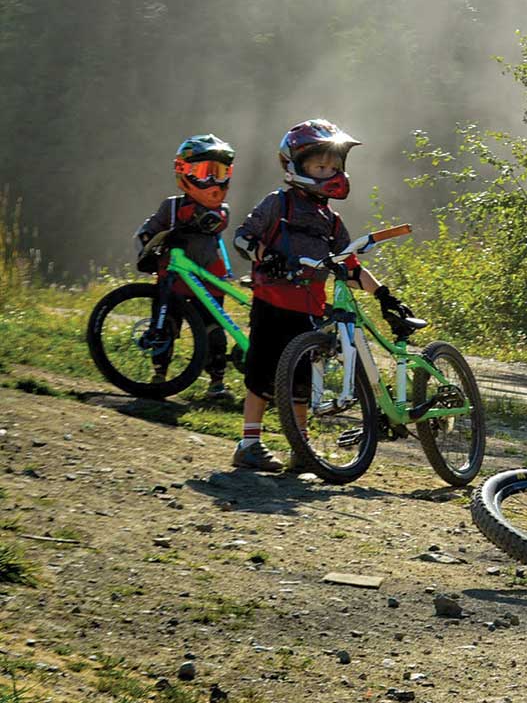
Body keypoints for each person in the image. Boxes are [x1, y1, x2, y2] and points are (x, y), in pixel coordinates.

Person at [229, 119, 415, 471]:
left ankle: (301, 448)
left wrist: (384, 295)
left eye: (334, 166)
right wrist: (264, 256)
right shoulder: (277, 204)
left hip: (309, 311)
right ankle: (248, 444)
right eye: (320, 166)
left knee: (302, 382)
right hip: (272, 303)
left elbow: (350, 266)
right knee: (261, 374)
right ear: (295, 165)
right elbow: (243, 236)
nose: (329, 171)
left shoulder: (331, 220)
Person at [133, 134, 240, 397]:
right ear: (184, 172)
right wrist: (148, 248)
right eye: (206, 172)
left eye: (221, 172)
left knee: (213, 332)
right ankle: (159, 374)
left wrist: (190, 220)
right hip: (172, 280)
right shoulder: (169, 207)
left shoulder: (221, 210)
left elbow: (215, 220)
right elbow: (146, 231)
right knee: (164, 327)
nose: (214, 180)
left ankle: (216, 383)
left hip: (208, 282)